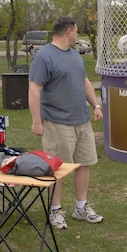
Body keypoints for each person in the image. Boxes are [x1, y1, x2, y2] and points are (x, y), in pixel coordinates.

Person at [28, 17, 104, 230]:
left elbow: (84, 82)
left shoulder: (75, 56)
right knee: (57, 169)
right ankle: (55, 210)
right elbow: (34, 90)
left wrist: (95, 106)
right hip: (57, 122)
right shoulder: (44, 57)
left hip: (82, 120)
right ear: (69, 32)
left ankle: (81, 207)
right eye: (77, 31)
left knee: (84, 163)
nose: (77, 35)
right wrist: (36, 121)